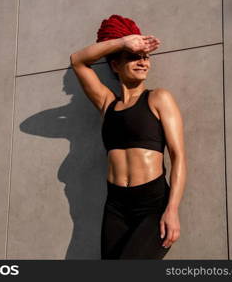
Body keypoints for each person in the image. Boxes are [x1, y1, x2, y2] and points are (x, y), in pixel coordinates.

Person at [70, 14, 187, 259]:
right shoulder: (107, 103)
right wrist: (123, 42)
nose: (143, 62)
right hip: (115, 207)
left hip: (152, 204)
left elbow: (178, 157)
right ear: (114, 64)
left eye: (146, 57)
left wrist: (172, 209)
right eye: (134, 57)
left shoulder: (158, 98)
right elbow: (78, 61)